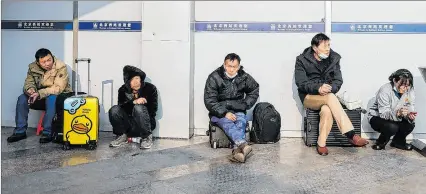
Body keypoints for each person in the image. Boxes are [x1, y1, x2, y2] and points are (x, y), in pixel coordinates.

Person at [294, 33, 369, 156]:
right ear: (315, 48)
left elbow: (338, 80)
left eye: (329, 45)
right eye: (324, 46)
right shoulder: (302, 60)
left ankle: (321, 144)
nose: (328, 48)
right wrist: (318, 88)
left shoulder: (334, 58)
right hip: (309, 97)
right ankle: (350, 135)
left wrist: (330, 88)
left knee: (327, 110)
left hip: (328, 96)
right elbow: (301, 83)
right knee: (330, 98)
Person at [7, 48, 73, 143]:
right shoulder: (33, 68)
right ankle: (20, 132)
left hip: (58, 97)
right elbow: (28, 83)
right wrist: (31, 91)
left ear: (52, 58)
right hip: (39, 96)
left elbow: (58, 88)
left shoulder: (60, 66)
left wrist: (38, 94)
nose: (47, 64)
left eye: (49, 60)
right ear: (38, 63)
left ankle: (48, 132)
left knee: (51, 99)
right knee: (22, 98)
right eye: (43, 62)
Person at [204, 53, 259, 163]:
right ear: (224, 65)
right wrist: (224, 113)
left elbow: (254, 90)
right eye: (229, 66)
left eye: (234, 67)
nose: (231, 69)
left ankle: (237, 152)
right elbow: (210, 100)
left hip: (238, 109)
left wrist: (244, 105)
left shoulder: (244, 77)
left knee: (241, 122)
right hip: (218, 112)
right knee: (227, 122)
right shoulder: (214, 77)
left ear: (238, 67)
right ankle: (242, 144)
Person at [108, 65, 158, 149]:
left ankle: (146, 138)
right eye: (132, 79)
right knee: (114, 109)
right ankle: (122, 136)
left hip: (145, 125)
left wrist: (142, 104)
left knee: (138, 108)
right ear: (128, 82)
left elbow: (153, 110)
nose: (136, 82)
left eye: (137, 78)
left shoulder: (150, 88)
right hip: (129, 126)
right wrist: (133, 102)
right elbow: (121, 108)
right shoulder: (122, 90)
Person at [368, 69, 416, 151]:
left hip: (397, 117)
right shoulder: (385, 90)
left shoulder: (410, 90)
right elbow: (384, 114)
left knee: (410, 125)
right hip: (378, 117)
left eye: (408, 85)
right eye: (403, 85)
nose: (405, 88)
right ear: (394, 80)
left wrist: (409, 115)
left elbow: (410, 106)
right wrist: (398, 113)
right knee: (392, 127)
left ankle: (398, 142)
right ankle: (380, 142)